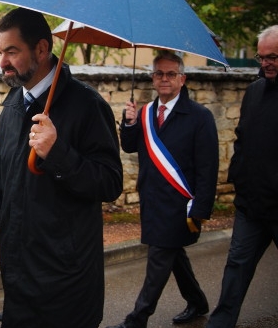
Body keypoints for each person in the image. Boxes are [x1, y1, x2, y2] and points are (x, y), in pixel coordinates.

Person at [0, 8, 123, 328]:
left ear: (42, 49)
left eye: (11, 51)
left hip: (67, 276)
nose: (2, 62)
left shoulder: (87, 105)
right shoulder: (12, 105)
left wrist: (58, 152)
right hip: (18, 273)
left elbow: (109, 182)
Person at [107, 51, 219, 328]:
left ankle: (137, 319)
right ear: (153, 78)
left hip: (180, 204)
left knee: (159, 257)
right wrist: (129, 122)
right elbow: (129, 147)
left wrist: (202, 208)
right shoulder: (145, 113)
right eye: (159, 74)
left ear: (182, 79)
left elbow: (208, 167)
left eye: (171, 74)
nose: (164, 79)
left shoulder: (200, 117)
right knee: (172, 253)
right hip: (152, 199)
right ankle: (197, 302)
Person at [206, 25, 278, 328]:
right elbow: (242, 138)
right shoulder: (255, 91)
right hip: (251, 204)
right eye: (262, 57)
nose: (266, 63)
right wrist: (240, 178)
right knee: (236, 266)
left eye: (272, 57)